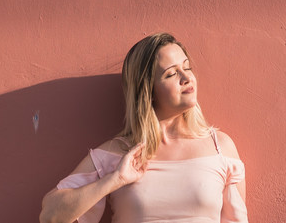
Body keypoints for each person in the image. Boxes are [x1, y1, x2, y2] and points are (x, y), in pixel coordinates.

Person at [39, 32, 248, 223]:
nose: (186, 78)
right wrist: (115, 179)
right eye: (171, 74)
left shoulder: (220, 148)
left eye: (186, 67)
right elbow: (50, 216)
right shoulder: (118, 153)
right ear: (148, 91)